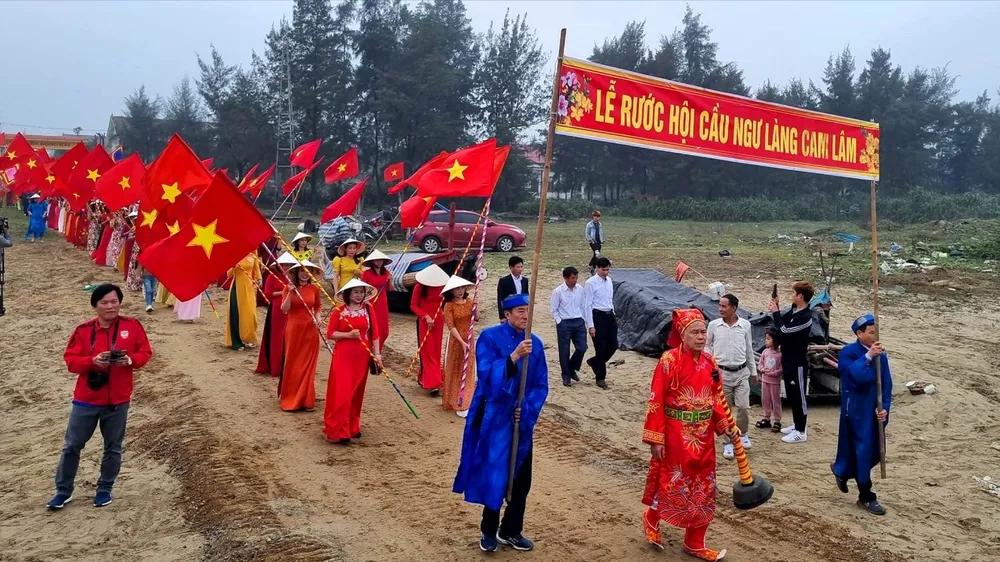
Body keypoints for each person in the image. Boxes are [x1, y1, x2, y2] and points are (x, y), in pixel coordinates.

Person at [453, 293, 548, 553]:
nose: (525, 315)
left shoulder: (535, 344)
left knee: (521, 479)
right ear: (506, 314)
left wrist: (526, 409)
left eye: (528, 310)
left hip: (520, 421)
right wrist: (513, 357)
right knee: (495, 475)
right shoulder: (490, 337)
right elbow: (485, 375)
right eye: (519, 310)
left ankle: (511, 530)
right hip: (494, 418)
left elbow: (540, 385)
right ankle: (489, 530)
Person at [641, 308, 737, 560]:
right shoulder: (669, 360)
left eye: (703, 331)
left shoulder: (709, 362)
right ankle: (652, 520)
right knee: (670, 482)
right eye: (694, 332)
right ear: (682, 335)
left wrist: (724, 423)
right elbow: (656, 400)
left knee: (704, 488)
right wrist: (655, 438)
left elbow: (717, 398)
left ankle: (694, 542)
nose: (700, 337)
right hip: (674, 434)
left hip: (703, 437)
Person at [47, 284, 153, 510]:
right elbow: (71, 362)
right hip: (86, 399)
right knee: (72, 445)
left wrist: (131, 360)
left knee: (113, 447)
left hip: (118, 399)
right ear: (95, 305)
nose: (110, 306)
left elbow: (145, 352)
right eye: (104, 302)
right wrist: (92, 361)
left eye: (114, 301)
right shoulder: (83, 330)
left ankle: (104, 489)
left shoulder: (131, 326)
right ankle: (63, 491)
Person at [832, 313, 892, 516]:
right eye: (871, 332)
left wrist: (884, 409)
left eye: (877, 332)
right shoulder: (849, 352)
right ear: (859, 334)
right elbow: (853, 377)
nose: (875, 336)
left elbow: (886, 384)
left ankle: (842, 470)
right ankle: (866, 495)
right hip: (855, 410)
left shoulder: (881, 356)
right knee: (861, 450)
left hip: (873, 411)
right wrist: (867, 358)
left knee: (873, 450)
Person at [324, 278, 381, 443]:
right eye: (355, 292)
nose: (359, 295)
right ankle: (340, 429)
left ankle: (353, 426)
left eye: (361, 292)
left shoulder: (368, 310)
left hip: (362, 356)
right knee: (343, 391)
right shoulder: (339, 312)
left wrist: (377, 355)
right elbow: (330, 333)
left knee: (357, 392)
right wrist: (347, 335)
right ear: (348, 294)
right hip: (343, 356)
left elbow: (375, 333)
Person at [705, 293, 756, 460]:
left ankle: (742, 434)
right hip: (721, 374)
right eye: (719, 306)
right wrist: (709, 366)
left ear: (734, 308)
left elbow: (749, 349)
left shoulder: (745, 325)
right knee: (725, 410)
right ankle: (727, 442)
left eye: (724, 306)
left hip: (741, 373)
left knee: (743, 406)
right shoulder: (713, 326)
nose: (720, 309)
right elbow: (708, 346)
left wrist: (753, 372)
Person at [769, 281, 815, 444]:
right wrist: (777, 307)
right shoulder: (795, 310)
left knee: (798, 395)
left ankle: (801, 431)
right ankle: (796, 424)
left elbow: (785, 331)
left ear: (800, 296)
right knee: (791, 392)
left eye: (793, 293)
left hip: (798, 362)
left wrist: (775, 312)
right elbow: (781, 323)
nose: (792, 295)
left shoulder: (805, 317)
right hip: (787, 359)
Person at [279, 260, 324, 412]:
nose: (305, 274)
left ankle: (306, 399)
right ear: (296, 273)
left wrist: (318, 318)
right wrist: (290, 293)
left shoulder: (314, 289)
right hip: (294, 329)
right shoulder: (288, 288)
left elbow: (317, 307)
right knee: (293, 364)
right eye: (302, 271)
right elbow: (284, 309)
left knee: (308, 365)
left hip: (310, 330)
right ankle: (292, 398)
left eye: (308, 270)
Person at [410, 264, 449, 396]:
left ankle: (426, 378)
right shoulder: (419, 287)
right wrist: (425, 316)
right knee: (427, 352)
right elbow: (413, 306)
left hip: (438, 321)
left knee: (436, 352)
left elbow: (449, 300)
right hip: (425, 322)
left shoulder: (443, 287)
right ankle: (433, 384)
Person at [442, 275, 478, 417]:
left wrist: (476, 306)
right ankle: (455, 400)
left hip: (469, 339)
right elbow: (451, 327)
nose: (460, 290)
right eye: (457, 288)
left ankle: (467, 401)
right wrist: (462, 342)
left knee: (468, 369)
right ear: (451, 291)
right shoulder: (449, 305)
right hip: (457, 341)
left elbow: (477, 318)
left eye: (462, 287)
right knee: (456, 369)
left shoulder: (469, 301)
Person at [256, 252, 296, 377]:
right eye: (284, 265)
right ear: (279, 265)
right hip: (277, 310)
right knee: (277, 338)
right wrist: (284, 291)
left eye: (289, 265)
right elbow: (268, 294)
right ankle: (275, 366)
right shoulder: (272, 277)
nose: (286, 267)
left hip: (292, 309)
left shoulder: (294, 278)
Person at [550, 266, 587, 387]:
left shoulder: (580, 289)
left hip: (578, 321)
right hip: (564, 322)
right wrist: (559, 321)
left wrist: (583, 318)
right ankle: (566, 375)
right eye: (572, 278)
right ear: (565, 278)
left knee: (582, 347)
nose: (575, 280)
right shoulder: (558, 291)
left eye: (576, 277)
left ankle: (571, 368)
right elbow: (554, 309)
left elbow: (582, 305)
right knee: (564, 350)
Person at [584, 257, 616, 389]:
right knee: (600, 347)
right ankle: (600, 378)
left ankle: (595, 362)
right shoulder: (590, 283)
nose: (606, 272)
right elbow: (587, 304)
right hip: (597, 316)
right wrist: (590, 325)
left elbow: (610, 299)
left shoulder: (610, 281)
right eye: (603, 270)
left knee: (613, 345)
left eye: (608, 269)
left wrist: (613, 313)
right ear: (597, 268)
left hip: (609, 315)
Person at [225, 253, 261, 350]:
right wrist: (233, 266)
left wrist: (259, 278)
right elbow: (228, 274)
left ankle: (250, 338)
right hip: (237, 288)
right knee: (236, 314)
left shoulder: (253, 255)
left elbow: (257, 269)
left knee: (250, 313)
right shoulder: (235, 256)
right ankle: (236, 342)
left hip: (249, 288)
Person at [360, 250, 393, 351]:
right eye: (376, 260)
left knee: (384, 331)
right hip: (370, 302)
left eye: (381, 260)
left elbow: (390, 289)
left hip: (382, 303)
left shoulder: (387, 273)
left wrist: (391, 280)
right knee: (372, 327)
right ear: (372, 261)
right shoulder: (367, 273)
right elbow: (362, 289)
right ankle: (371, 348)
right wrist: (365, 300)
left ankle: (378, 348)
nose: (379, 262)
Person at [756, 328, 783, 433]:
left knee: (775, 401)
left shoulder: (780, 354)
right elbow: (760, 364)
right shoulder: (765, 352)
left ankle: (777, 420)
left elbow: (781, 368)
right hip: (765, 380)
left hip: (775, 381)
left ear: (775, 340)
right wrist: (762, 370)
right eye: (766, 339)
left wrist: (774, 373)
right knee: (765, 400)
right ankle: (766, 418)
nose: (765, 341)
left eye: (768, 339)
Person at [495, 256, 528, 322]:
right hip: (509, 312)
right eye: (518, 267)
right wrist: (502, 316)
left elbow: (526, 296)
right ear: (511, 268)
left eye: (521, 267)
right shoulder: (504, 281)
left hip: (521, 311)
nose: (520, 269)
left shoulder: (524, 280)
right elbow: (500, 299)